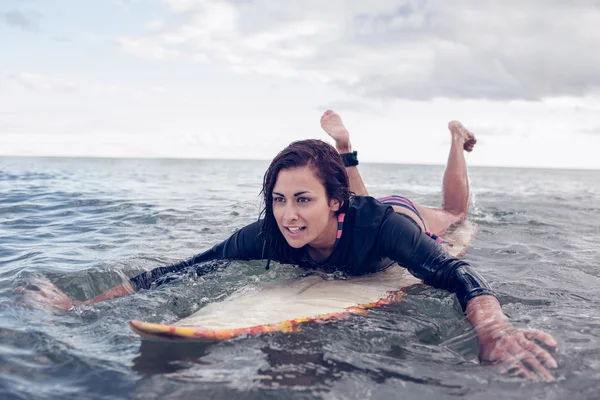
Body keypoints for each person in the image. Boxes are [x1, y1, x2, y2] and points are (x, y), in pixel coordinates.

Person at [15, 111, 558, 381]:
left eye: (301, 200)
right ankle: (346, 155)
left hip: (400, 214)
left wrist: (493, 330)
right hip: (350, 208)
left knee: (456, 215)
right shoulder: (270, 231)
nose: (287, 214)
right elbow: (182, 270)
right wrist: (80, 305)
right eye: (279, 199)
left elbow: (459, 276)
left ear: (331, 203)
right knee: (339, 209)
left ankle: (455, 143)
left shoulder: (385, 229)